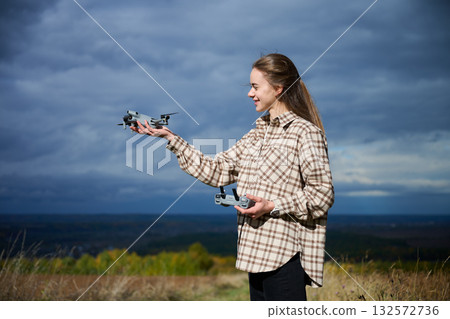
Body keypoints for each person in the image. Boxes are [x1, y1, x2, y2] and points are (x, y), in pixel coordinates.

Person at [131, 53, 334, 301]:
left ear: (278, 88)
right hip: (254, 257)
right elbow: (216, 171)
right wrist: (170, 139)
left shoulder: (305, 133)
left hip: (285, 257)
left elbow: (322, 194)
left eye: (255, 86)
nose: (250, 93)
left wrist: (271, 206)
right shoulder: (254, 136)